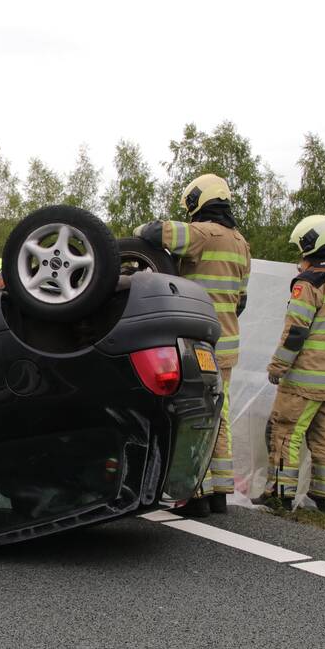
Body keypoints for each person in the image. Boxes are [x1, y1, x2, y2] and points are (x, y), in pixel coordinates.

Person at [134, 174, 251, 516]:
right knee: (219, 415)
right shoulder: (241, 243)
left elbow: (153, 232)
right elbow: (241, 301)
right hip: (226, 342)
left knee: (192, 418)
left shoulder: (203, 233)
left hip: (198, 345)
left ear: (199, 201)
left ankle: (195, 494)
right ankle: (219, 492)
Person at [262, 215, 325, 513]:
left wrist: (278, 366)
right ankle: (324, 497)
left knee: (285, 431)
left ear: (310, 243)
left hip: (305, 378)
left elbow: (296, 332)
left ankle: (280, 493)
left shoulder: (308, 283)